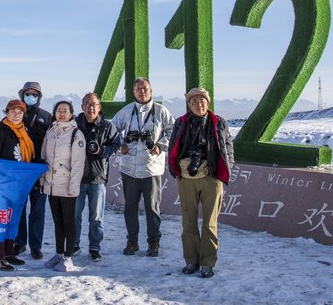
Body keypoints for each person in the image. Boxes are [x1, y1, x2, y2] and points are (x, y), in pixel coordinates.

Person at [167, 87, 234, 279]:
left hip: (211, 177)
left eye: (202, 100)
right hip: (186, 178)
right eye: (194, 101)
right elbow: (173, 145)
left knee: (210, 222)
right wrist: (176, 169)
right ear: (189, 104)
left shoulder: (218, 122)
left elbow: (228, 147)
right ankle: (191, 260)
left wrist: (226, 169)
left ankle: (207, 262)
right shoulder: (181, 123)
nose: (199, 104)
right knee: (188, 221)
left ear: (208, 102)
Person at [113, 77, 174, 257]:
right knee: (130, 207)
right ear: (133, 92)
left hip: (151, 168)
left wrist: (161, 145)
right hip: (129, 167)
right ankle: (132, 241)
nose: (142, 91)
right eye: (138, 89)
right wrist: (121, 144)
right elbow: (112, 129)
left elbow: (173, 130)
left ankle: (153, 242)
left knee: (152, 208)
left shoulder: (161, 111)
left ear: (151, 90)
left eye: (145, 88)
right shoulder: (126, 111)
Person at [0, 99, 34, 271]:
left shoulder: (24, 132)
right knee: (1, 219)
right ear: (6, 113)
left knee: (14, 219)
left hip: (19, 185)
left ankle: (8, 253)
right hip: (3, 185)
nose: (16, 114)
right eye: (13, 111)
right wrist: (9, 172)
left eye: (20, 112)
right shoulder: (0, 132)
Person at [73, 92, 121, 261]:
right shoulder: (74, 125)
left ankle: (95, 247)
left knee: (96, 217)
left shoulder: (107, 127)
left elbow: (116, 144)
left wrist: (102, 152)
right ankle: (74, 245)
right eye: (87, 104)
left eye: (94, 104)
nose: (90, 107)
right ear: (82, 107)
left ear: (99, 107)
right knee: (75, 215)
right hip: (76, 178)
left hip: (98, 178)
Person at [41, 101, 86, 272]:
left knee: (69, 221)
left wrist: (73, 187)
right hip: (52, 184)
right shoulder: (51, 132)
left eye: (65, 111)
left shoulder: (76, 134)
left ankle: (68, 256)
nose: (61, 114)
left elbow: (77, 163)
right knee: (57, 221)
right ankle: (59, 253)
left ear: (71, 114)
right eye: (58, 110)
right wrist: (43, 180)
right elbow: (44, 155)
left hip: (67, 184)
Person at [14, 81, 52, 259]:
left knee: (38, 210)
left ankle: (35, 246)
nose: (31, 97)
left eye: (35, 94)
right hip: (19, 171)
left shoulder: (46, 117)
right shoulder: (15, 115)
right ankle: (19, 243)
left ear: (39, 97)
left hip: (39, 171)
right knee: (19, 209)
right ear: (22, 95)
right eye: (28, 94)